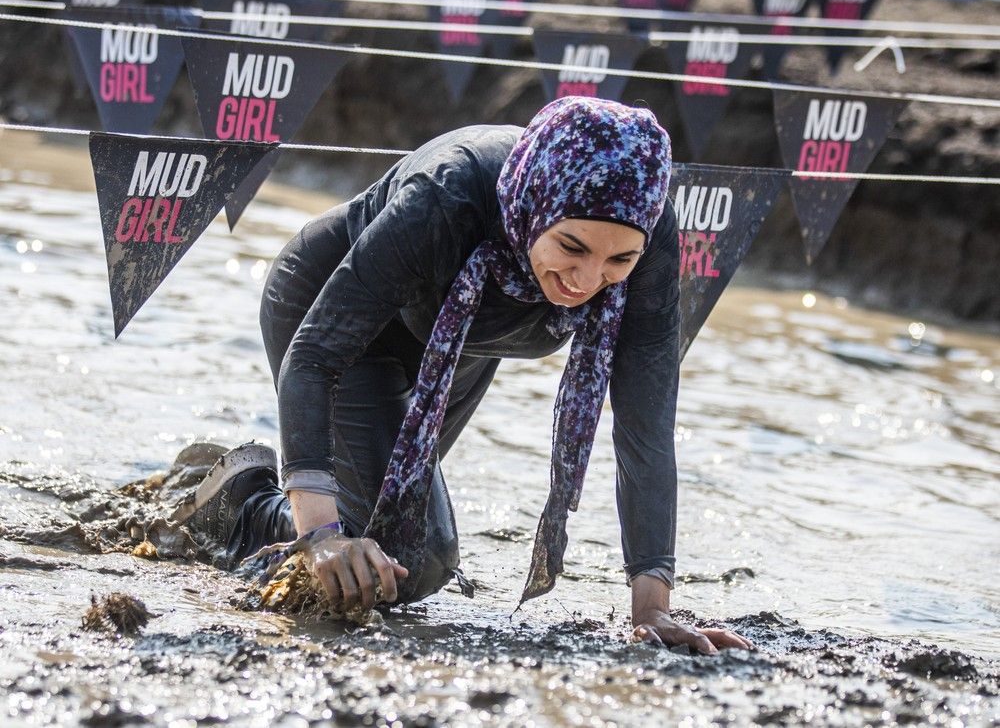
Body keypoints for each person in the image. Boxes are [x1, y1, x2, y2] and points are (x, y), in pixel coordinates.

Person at [181, 97, 751, 654]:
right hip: (331, 318)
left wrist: (652, 608)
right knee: (417, 557)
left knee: (384, 542)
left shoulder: (646, 233)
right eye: (571, 247)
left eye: (616, 262)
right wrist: (321, 539)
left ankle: (259, 501)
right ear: (534, 206)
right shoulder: (447, 195)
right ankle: (239, 499)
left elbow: (646, 423)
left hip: (461, 340)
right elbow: (314, 356)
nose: (586, 279)